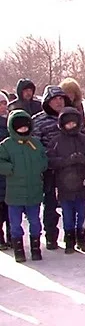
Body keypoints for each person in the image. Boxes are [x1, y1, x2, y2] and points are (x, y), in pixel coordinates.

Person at [47, 108, 85, 254]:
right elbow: (50, 160)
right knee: (67, 214)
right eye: (68, 123)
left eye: (73, 123)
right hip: (64, 185)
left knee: (81, 213)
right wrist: (66, 161)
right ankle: (69, 238)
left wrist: (82, 159)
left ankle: (81, 237)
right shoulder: (56, 141)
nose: (71, 126)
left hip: (82, 183)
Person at [0, 110, 48, 262]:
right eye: (19, 127)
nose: (22, 129)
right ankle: (18, 249)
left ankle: (35, 247)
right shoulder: (6, 145)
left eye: (25, 126)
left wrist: (40, 166)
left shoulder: (35, 143)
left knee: (35, 221)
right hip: (14, 194)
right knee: (15, 223)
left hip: (33, 191)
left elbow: (44, 159)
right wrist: (10, 169)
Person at [32, 86, 74, 250]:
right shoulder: (38, 120)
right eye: (55, 99)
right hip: (50, 170)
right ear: (47, 101)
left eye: (61, 98)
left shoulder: (72, 117)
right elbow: (35, 146)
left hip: (71, 170)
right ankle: (51, 236)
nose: (59, 102)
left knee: (73, 205)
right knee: (50, 204)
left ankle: (74, 236)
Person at [0, 92, 10, 249]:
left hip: (10, 173)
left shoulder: (10, 123)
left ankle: (12, 236)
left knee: (10, 208)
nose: (2, 106)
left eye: (4, 103)